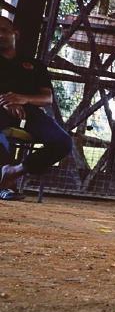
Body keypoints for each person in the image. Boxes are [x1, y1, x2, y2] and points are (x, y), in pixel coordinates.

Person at [0, 16, 73, 201]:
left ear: (15, 33)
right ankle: (5, 187)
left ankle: (14, 172)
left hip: (29, 112)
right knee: (2, 138)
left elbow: (47, 98)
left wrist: (23, 99)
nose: (0, 35)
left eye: (4, 30)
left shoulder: (34, 65)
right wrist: (9, 103)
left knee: (63, 142)